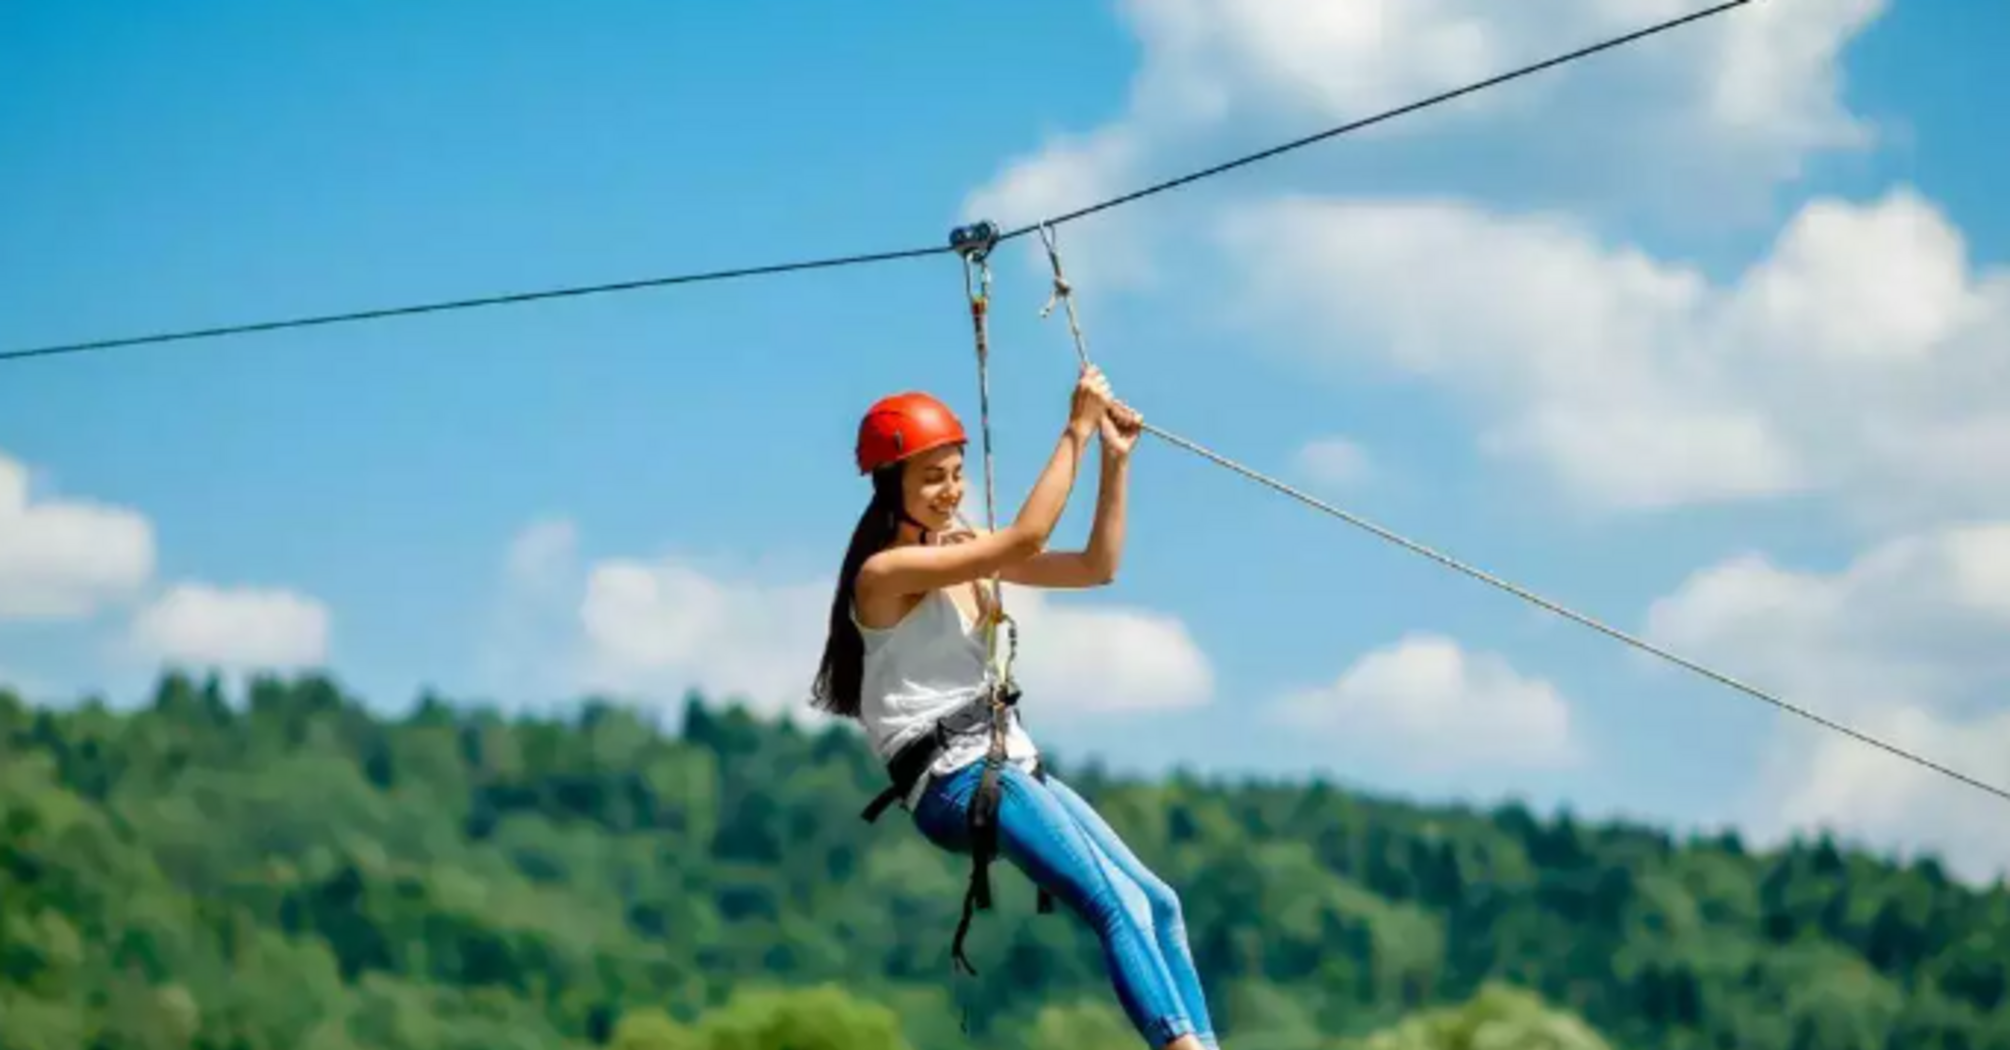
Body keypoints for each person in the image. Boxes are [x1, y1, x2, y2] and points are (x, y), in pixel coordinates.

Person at [811, 365, 1220, 1050]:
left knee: (1158, 905)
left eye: (956, 473)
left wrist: (1113, 464)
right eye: (932, 478)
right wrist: (1076, 429)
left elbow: (1095, 567)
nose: (951, 491)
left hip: (1006, 764)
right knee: (1112, 906)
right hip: (954, 781)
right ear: (893, 489)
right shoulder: (884, 574)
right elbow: (1027, 539)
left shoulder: (964, 549)